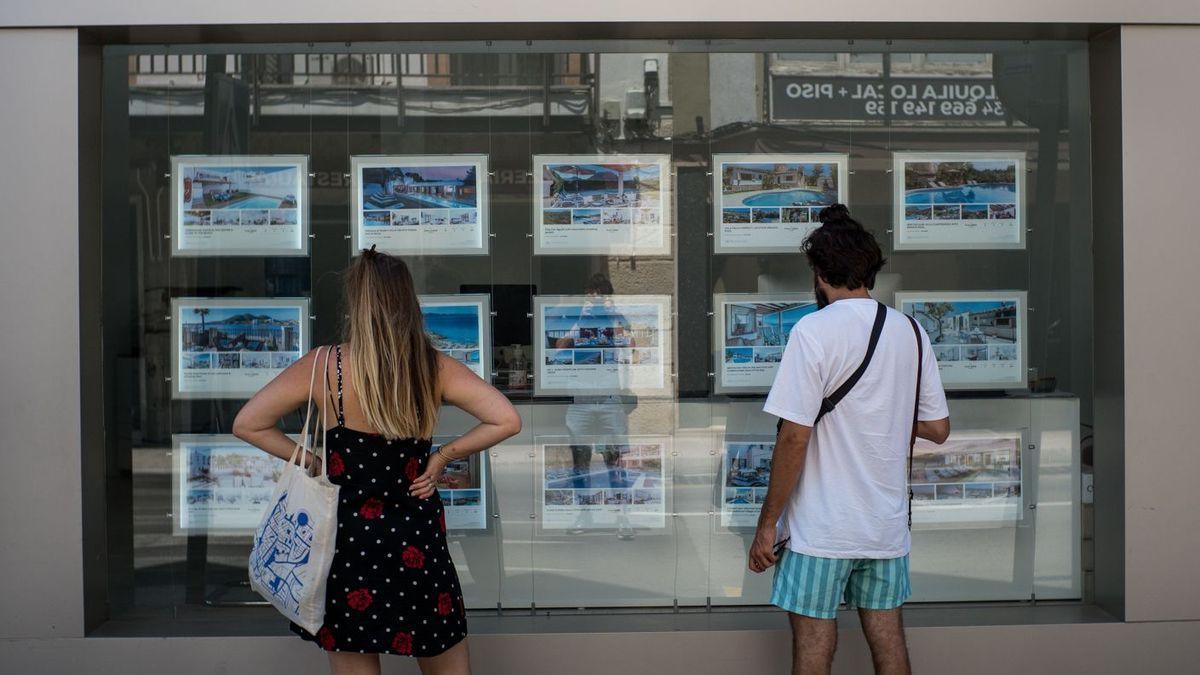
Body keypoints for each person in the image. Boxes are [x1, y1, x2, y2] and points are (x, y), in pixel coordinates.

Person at [234, 248, 522, 675]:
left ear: (357, 302)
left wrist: (314, 462)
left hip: (346, 535)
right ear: (409, 301)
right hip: (416, 534)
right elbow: (506, 419)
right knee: (445, 662)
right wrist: (442, 457)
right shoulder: (433, 367)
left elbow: (248, 424)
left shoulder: (324, 365)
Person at [747, 205, 950, 675]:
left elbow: (794, 438)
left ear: (819, 272)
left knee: (814, 650)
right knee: (889, 643)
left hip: (822, 529)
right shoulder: (913, 332)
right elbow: (938, 429)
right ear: (870, 269)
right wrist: (881, 412)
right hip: (885, 527)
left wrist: (767, 526)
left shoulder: (812, 332)